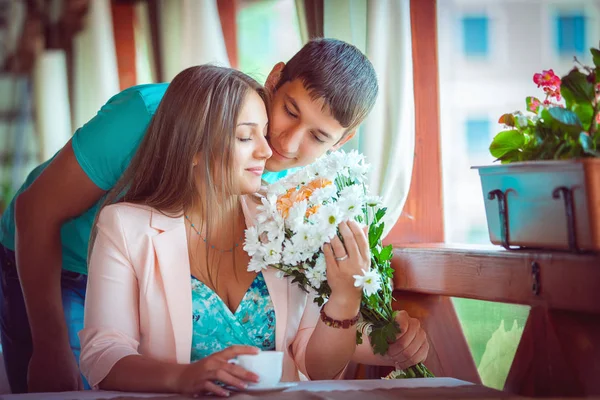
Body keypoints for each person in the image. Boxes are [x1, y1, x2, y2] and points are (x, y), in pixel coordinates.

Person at [0, 38, 428, 393]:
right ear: (275, 79)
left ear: (341, 141)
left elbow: (304, 329)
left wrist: (383, 335)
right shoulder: (148, 117)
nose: (283, 142)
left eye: (317, 136)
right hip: (51, 255)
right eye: (290, 111)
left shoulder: (291, 195)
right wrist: (51, 344)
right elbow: (36, 213)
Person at [80, 64, 372, 396]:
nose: (266, 150)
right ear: (192, 147)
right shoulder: (123, 226)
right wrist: (180, 377)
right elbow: (103, 354)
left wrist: (346, 297)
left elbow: (315, 365)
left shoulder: (289, 218)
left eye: (263, 133)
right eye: (246, 136)